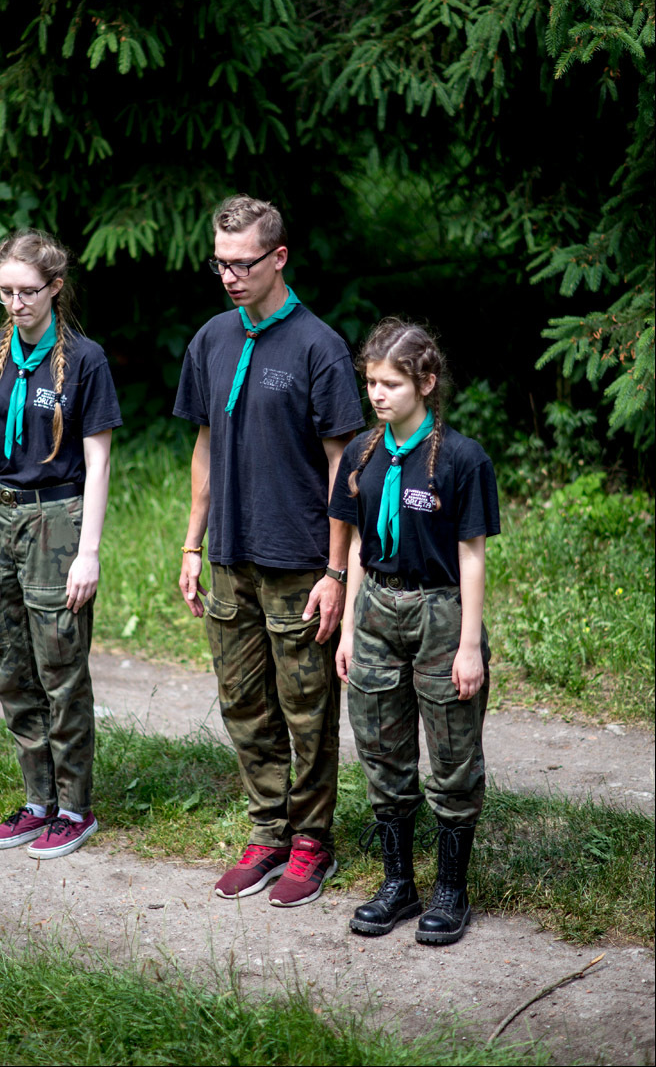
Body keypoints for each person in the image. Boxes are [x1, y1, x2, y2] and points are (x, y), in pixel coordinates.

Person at [174, 194, 364, 907]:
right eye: (220, 263)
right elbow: (203, 446)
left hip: (300, 562)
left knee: (306, 708)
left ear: (279, 257)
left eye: (243, 263)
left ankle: (312, 842)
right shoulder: (211, 339)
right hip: (229, 556)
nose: (229, 276)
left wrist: (336, 571)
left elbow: (343, 466)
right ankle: (267, 832)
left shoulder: (319, 346)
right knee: (242, 703)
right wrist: (192, 545)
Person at [0, 229, 122, 860]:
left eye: (27, 291)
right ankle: (37, 802)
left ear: (55, 287)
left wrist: (89, 552)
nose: (15, 303)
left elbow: (98, 462)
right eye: (5, 291)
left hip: (57, 521)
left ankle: (75, 808)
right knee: (11, 666)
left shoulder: (85, 361)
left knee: (60, 668)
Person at [329, 318, 499, 944]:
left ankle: (451, 890)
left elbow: (472, 555)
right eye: (372, 382)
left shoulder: (461, 459)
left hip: (440, 612)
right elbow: (355, 547)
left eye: (392, 383)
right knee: (381, 748)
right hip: (376, 607)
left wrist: (469, 645)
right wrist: (349, 632)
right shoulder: (361, 454)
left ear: (426, 383)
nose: (378, 394)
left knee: (452, 755)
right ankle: (398, 883)